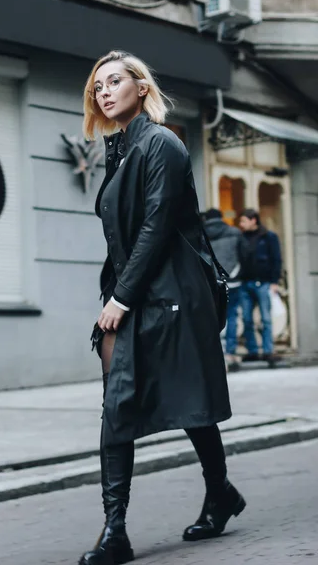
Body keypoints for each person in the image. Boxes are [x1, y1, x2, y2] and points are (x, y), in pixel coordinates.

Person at [80, 50, 246, 565]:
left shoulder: (163, 144)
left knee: (190, 403)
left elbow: (156, 226)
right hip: (136, 291)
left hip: (171, 293)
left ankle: (219, 492)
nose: (104, 92)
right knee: (117, 406)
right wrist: (121, 293)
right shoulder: (121, 148)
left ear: (141, 88)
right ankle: (115, 531)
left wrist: (120, 298)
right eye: (97, 87)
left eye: (114, 82)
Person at [238, 208, 282, 367]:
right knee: (247, 319)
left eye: (243, 221)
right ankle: (252, 351)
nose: (241, 224)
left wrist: (275, 281)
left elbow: (276, 259)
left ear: (253, 220)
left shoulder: (269, 237)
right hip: (245, 283)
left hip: (263, 283)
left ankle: (268, 351)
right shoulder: (241, 238)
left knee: (265, 318)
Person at [204, 209, 242, 372]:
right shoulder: (234, 233)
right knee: (231, 316)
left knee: (210, 318)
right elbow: (243, 256)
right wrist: (235, 273)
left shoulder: (201, 234)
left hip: (211, 283)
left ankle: (214, 352)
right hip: (232, 281)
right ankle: (229, 351)